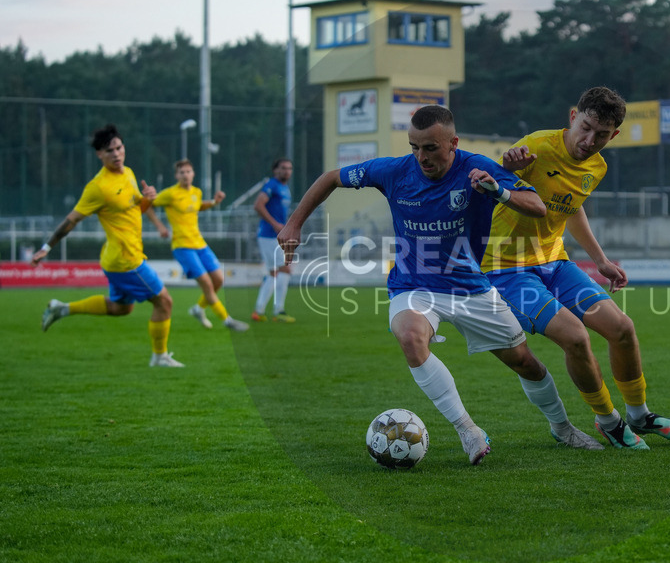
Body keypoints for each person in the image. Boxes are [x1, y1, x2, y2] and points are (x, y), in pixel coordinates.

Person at [277, 105, 602, 465]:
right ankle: (468, 430)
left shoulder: (476, 168)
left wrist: (498, 191)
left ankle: (562, 428)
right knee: (410, 336)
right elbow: (331, 178)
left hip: (471, 287)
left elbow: (537, 206)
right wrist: (294, 224)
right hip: (413, 286)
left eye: (430, 148)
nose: (421, 157)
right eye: (415, 147)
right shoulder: (393, 171)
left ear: (453, 143)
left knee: (525, 363)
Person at [482, 87, 670, 449]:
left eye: (601, 135)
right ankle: (609, 422)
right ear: (572, 117)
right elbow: (489, 185)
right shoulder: (536, 146)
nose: (589, 141)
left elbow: (572, 207)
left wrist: (601, 260)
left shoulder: (597, 166)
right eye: (585, 128)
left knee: (622, 329)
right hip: (507, 270)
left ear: (614, 135)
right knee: (576, 337)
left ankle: (639, 415)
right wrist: (506, 167)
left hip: (555, 263)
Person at [33, 124, 184, 368]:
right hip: (126, 261)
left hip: (116, 257)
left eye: (119, 147)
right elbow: (71, 220)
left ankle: (61, 309)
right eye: (109, 150)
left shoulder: (128, 173)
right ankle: (160, 357)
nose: (116, 154)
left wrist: (147, 199)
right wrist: (47, 247)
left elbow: (136, 208)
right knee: (164, 302)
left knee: (120, 308)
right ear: (99, 155)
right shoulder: (98, 187)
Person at [151, 159, 249, 332]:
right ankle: (227, 320)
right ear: (176, 175)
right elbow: (147, 205)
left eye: (188, 171)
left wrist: (213, 202)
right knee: (207, 283)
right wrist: (160, 226)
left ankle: (198, 308)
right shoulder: (170, 194)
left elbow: (197, 206)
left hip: (200, 244)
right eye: (182, 172)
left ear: (193, 174)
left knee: (218, 280)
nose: (185, 175)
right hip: (182, 246)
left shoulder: (197, 192)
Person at [252, 158, 295, 322]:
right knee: (283, 270)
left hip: (275, 235)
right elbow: (258, 205)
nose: (287, 171)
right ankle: (277, 311)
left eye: (289, 168)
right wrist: (275, 224)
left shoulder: (285, 188)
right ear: (275, 170)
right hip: (268, 235)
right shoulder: (272, 185)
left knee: (276, 272)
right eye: (283, 168)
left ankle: (260, 311)